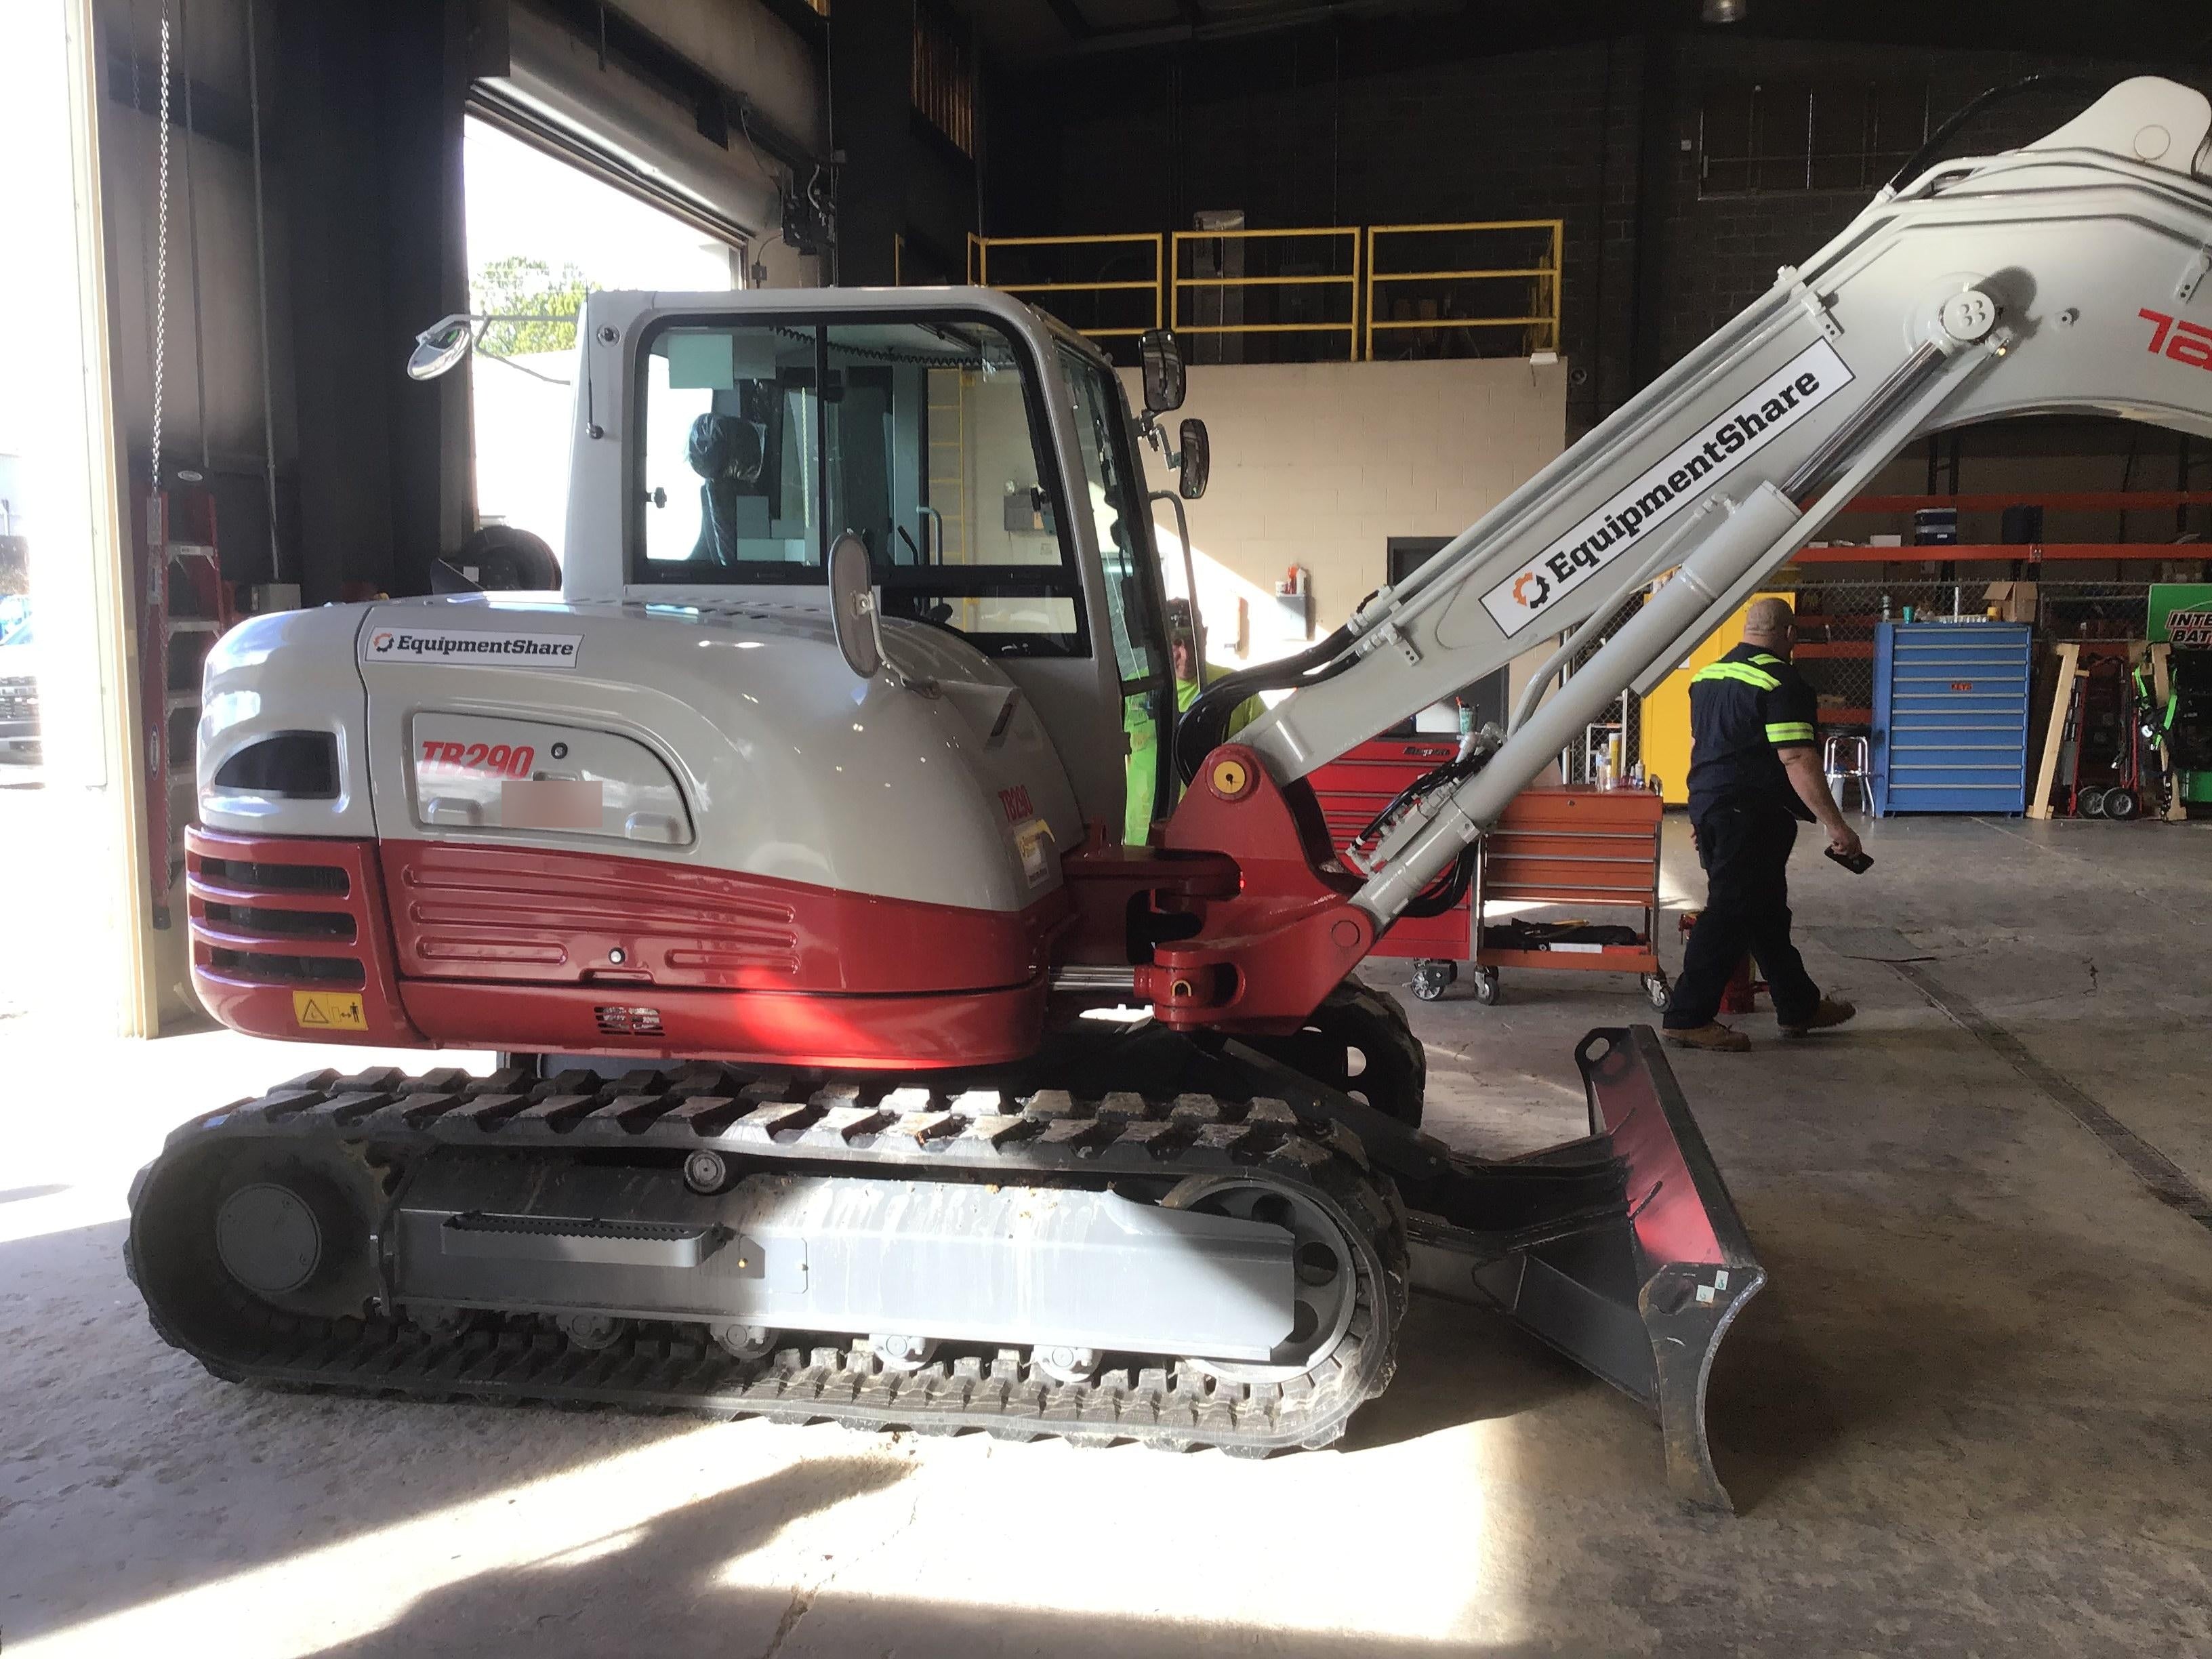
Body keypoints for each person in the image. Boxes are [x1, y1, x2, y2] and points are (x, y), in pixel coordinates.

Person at [1662, 596, 1861, 1052]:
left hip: (1715, 806)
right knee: (1731, 912)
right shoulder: (1782, 681)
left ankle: (1799, 1006)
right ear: (1789, 635)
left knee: (1766, 914)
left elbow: (1706, 748)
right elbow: (1795, 756)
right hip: (1749, 816)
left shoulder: (1708, 677)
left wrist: (1704, 814)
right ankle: (1687, 1017)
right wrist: (1836, 826)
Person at [1124, 598, 1266, 844]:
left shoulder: (1235, 689)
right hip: (1143, 837)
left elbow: (1268, 755)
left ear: (1205, 635)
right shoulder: (1135, 688)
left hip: (1214, 837)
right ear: (1159, 644)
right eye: (1176, 643)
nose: (1186, 654)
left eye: (1192, 641)